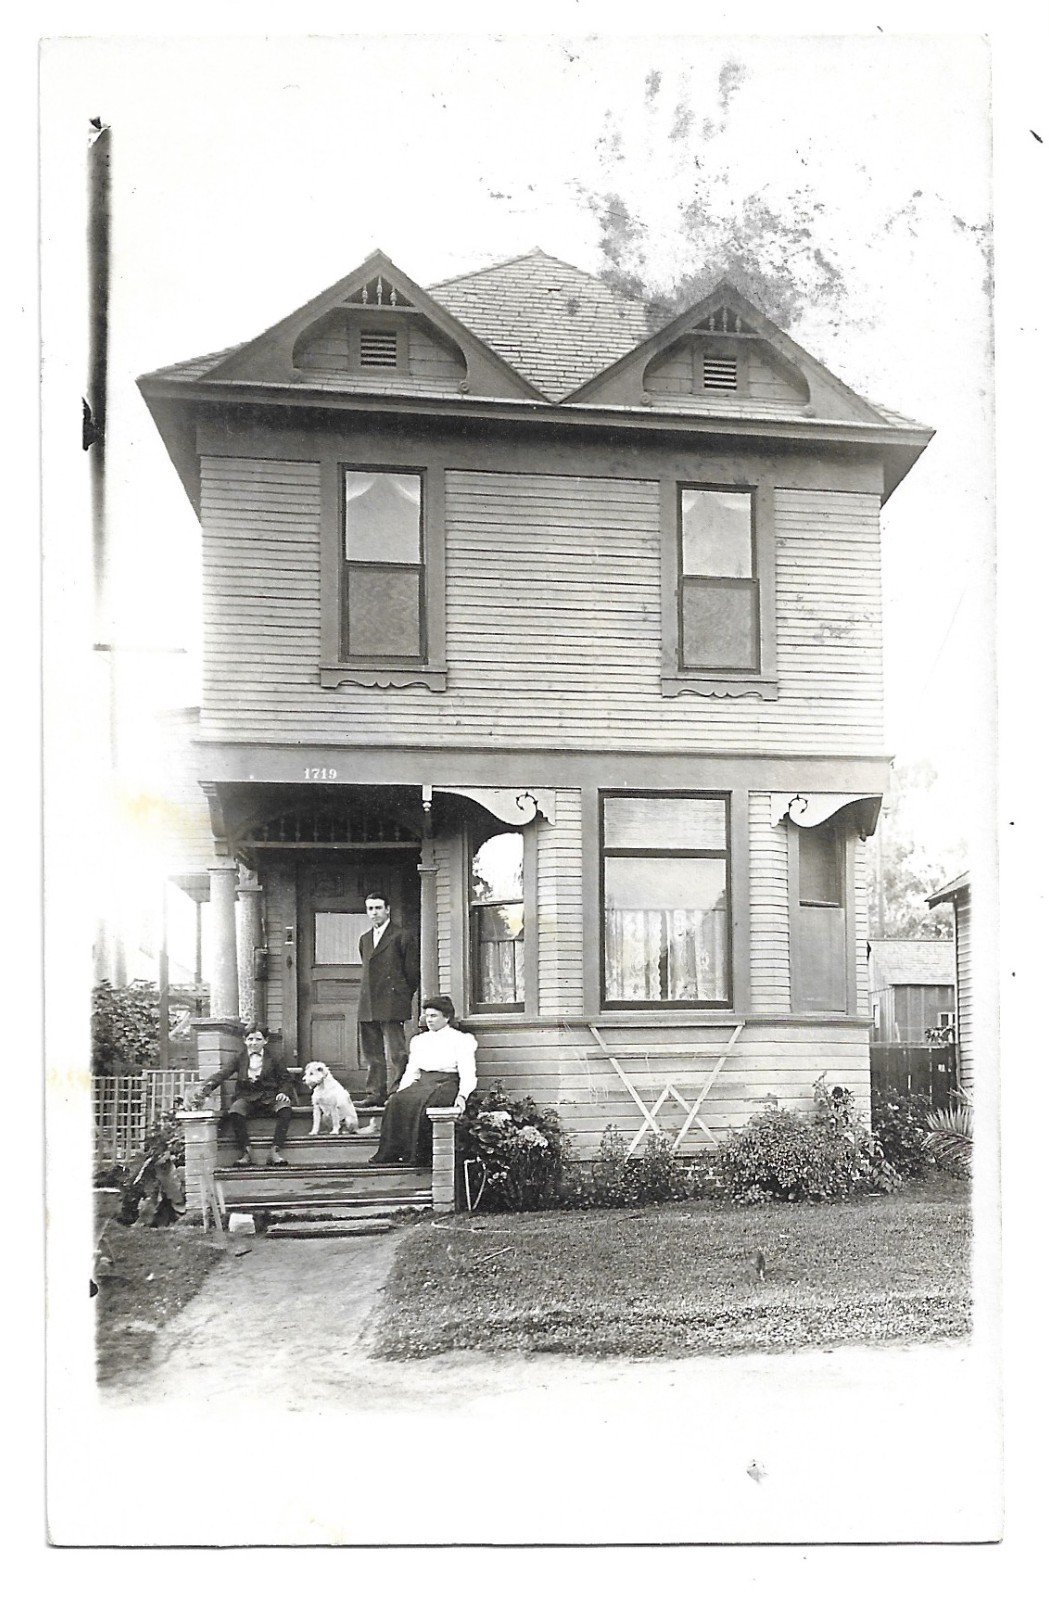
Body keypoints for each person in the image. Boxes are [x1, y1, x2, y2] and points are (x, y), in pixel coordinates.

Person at [370, 996, 477, 1167]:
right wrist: (400, 1091)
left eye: (434, 1016)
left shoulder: (461, 1040)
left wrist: (462, 1095)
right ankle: (395, 1153)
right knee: (396, 1102)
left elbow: (468, 1072)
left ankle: (418, 1156)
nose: (429, 1020)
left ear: (447, 1017)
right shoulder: (419, 1041)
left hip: (447, 1083)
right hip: (423, 1082)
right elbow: (412, 1071)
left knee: (427, 1105)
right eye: (427, 1016)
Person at [194, 1024, 297, 1167]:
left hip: (270, 1097)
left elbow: (286, 1078)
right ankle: (247, 1152)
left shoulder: (274, 1057)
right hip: (247, 1096)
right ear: (245, 1040)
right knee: (235, 1111)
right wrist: (208, 1085)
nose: (254, 1043)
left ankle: (275, 1151)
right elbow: (224, 1073)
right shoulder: (239, 1058)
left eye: (258, 1039)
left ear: (265, 1041)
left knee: (285, 1109)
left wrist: (283, 1092)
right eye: (250, 1039)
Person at [356, 892, 420, 1109]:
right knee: (372, 1052)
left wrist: (402, 995)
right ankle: (375, 1093)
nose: (374, 913)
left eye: (377, 908)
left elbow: (412, 973)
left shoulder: (402, 936)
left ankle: (396, 1092)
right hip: (368, 1002)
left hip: (393, 1000)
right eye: (370, 909)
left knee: (396, 1052)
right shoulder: (364, 939)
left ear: (387, 909)